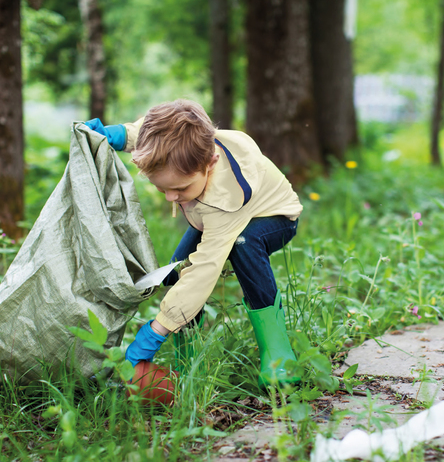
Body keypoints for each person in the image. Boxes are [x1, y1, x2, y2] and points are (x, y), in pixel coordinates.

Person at [84, 99, 302, 388]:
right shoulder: (189, 150)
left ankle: (279, 357)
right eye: (161, 188)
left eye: (180, 188)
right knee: (176, 271)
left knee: (243, 244)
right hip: (209, 214)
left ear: (210, 164)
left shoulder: (228, 197)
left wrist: (157, 329)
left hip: (273, 216)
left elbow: (203, 273)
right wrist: (120, 135)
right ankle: (189, 362)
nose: (170, 198)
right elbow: (158, 135)